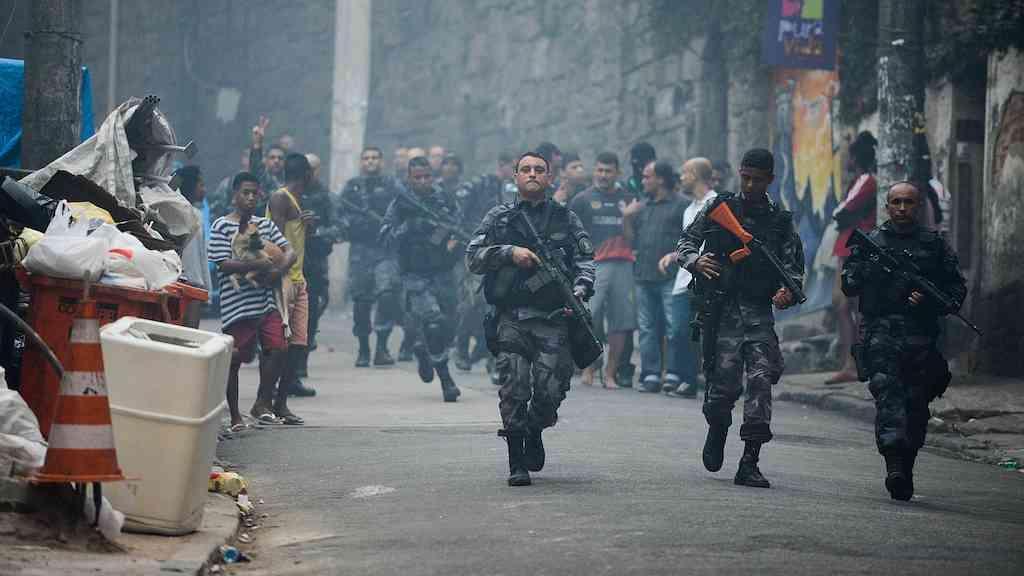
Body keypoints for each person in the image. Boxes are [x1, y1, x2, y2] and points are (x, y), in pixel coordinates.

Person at [466, 151, 595, 486]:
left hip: (553, 318)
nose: (533, 174)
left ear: (549, 177)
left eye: (539, 169)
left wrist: (581, 287)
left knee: (552, 390)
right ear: (516, 177)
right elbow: (473, 257)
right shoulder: (499, 218)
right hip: (511, 317)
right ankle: (516, 461)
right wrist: (509, 253)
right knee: (514, 386)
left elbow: (585, 260)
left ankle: (535, 428)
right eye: (526, 169)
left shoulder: (565, 218)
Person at [678, 148, 804, 488]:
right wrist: (695, 261)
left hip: (759, 313)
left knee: (761, 380)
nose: (749, 185)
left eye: (757, 180)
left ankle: (750, 461)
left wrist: (787, 291)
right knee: (723, 389)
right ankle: (718, 427)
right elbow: (686, 242)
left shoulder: (780, 222)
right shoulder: (720, 208)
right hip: (722, 312)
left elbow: (793, 268)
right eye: (745, 178)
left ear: (770, 180)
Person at [841, 181, 966, 501]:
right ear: (887, 206)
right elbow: (849, 284)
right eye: (895, 202)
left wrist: (927, 300)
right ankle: (894, 464)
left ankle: (906, 465)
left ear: (918, 206)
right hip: (881, 334)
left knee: (916, 406)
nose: (901, 208)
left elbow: (955, 291)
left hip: (921, 338)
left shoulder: (934, 245)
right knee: (888, 396)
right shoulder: (872, 242)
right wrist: (875, 272)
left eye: (908, 202)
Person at [209, 172, 296, 430]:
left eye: (254, 194)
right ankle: (235, 415)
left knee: (279, 348)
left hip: (265, 301)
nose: (250, 198)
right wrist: (256, 264)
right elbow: (222, 264)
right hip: (237, 304)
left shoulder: (264, 225)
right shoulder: (221, 226)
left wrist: (278, 271)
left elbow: (289, 251)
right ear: (234, 195)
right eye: (245, 193)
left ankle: (262, 403)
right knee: (234, 358)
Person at [380, 156, 463, 402]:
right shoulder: (399, 204)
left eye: (427, 176)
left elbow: (459, 227)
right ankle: (447, 381)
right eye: (418, 177)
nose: (424, 181)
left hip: (444, 272)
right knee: (433, 322)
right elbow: (384, 238)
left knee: (450, 326)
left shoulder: (445, 199)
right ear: (409, 178)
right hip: (415, 275)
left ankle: (425, 351)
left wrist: (447, 237)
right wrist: (410, 226)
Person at [569, 152, 637, 389]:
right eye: (600, 170)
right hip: (593, 265)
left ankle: (610, 373)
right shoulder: (582, 199)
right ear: (594, 171)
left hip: (623, 263)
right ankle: (589, 366)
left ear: (617, 172)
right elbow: (572, 236)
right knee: (589, 316)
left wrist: (627, 217)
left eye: (608, 171)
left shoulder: (628, 198)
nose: (603, 175)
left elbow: (634, 237)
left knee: (621, 321)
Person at [623, 160, 688, 393]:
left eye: (647, 176)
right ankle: (650, 374)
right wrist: (626, 218)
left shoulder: (682, 205)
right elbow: (630, 241)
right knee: (647, 328)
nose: (643, 181)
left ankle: (673, 373)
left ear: (660, 179)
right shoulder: (642, 206)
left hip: (671, 276)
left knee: (673, 327)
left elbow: (690, 240)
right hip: (643, 275)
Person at [452, 152, 515, 374]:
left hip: (502, 254)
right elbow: (460, 212)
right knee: (473, 302)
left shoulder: (513, 191)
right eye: (513, 167)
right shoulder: (480, 185)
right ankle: (461, 347)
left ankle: (491, 356)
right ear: (502, 165)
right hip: (478, 252)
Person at [339, 146, 403, 367]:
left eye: (375, 158)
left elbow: (404, 210)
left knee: (387, 294)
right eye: (366, 158)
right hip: (361, 250)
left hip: (385, 250)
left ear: (381, 161)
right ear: (361, 162)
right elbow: (340, 215)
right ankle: (364, 348)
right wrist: (354, 224)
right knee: (361, 301)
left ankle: (381, 346)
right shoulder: (352, 187)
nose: (371, 161)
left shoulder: (392, 185)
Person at [265, 154, 316, 407]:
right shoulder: (280, 198)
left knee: (297, 344)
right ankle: (265, 400)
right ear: (308, 175)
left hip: (298, 280)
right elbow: (275, 244)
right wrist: (280, 278)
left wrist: (311, 227)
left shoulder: (296, 200)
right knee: (278, 346)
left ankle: (281, 404)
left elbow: (296, 238)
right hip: (283, 281)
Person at [828, 131, 878, 385]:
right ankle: (853, 362)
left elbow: (842, 211)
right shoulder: (860, 180)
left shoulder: (866, 181)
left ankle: (854, 363)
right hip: (849, 245)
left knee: (848, 304)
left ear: (855, 158)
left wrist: (841, 214)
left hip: (853, 246)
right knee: (846, 304)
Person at [665, 157, 717, 398]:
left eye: (685, 173)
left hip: (706, 279)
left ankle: (698, 381)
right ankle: (687, 378)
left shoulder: (716, 203)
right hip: (683, 279)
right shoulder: (689, 209)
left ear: (695, 175)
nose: (681, 178)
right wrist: (675, 255)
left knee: (705, 334)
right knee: (679, 331)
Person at [301, 153, 339, 376]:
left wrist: (316, 232)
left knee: (312, 311)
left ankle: (302, 360)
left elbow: (339, 226)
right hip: (291, 259)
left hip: (315, 261)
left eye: (312, 169)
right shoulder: (289, 193)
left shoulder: (326, 197)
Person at [174, 165, 212, 328]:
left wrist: (206, 290)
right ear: (190, 185)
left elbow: (202, 255)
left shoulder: (198, 215)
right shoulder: (173, 211)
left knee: (191, 331)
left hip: (195, 285)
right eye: (201, 185)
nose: (204, 189)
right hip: (177, 282)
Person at [249, 116, 285, 213]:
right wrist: (257, 144)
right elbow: (256, 167)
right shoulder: (263, 178)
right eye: (272, 157)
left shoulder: (288, 181)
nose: (276, 161)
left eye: (280, 158)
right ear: (266, 160)